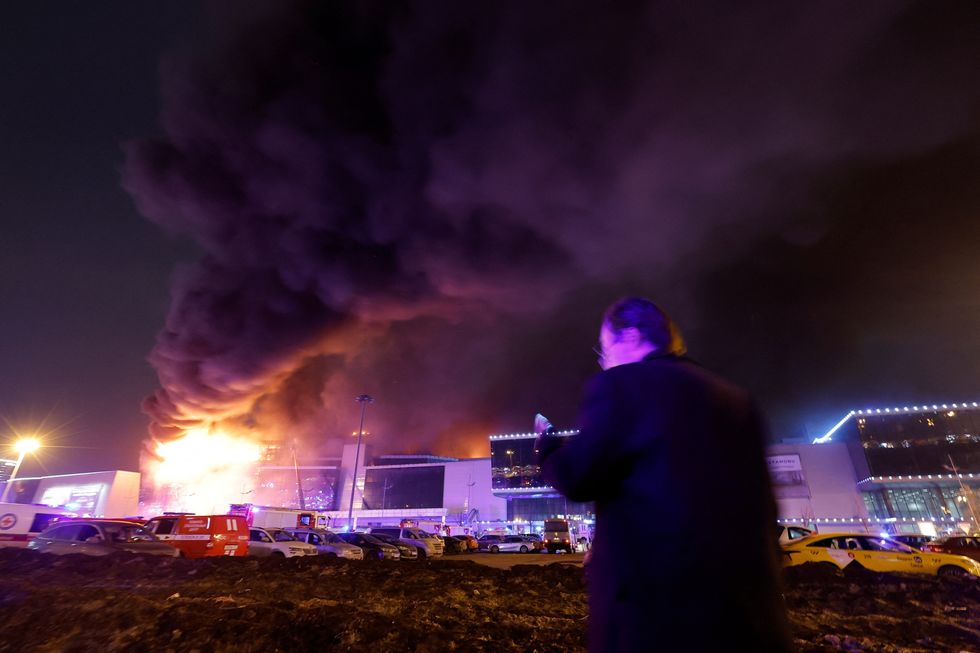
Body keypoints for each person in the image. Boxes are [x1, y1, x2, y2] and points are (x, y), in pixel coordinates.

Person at [537, 297, 792, 652]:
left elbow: (577, 476)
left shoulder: (622, 385)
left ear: (628, 336)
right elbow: (765, 509)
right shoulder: (736, 399)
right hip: (749, 621)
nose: (603, 360)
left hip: (658, 618)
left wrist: (546, 446)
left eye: (604, 348)